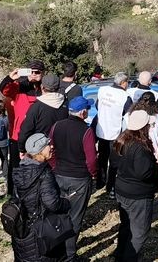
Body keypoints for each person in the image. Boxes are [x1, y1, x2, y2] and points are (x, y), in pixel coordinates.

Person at [113, 111, 158, 262]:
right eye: (149, 124)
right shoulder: (140, 147)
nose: (150, 126)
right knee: (139, 233)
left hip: (122, 190)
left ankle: (120, 254)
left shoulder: (122, 140)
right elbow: (144, 174)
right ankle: (129, 257)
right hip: (138, 195)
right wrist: (156, 165)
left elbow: (115, 163)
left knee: (126, 225)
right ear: (144, 127)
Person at [49, 96, 97, 259]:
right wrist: (93, 174)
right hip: (79, 179)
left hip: (58, 176)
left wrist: (55, 166)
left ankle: (57, 248)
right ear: (83, 112)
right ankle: (69, 255)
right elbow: (91, 159)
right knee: (75, 217)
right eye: (88, 110)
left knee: (59, 214)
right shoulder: (86, 131)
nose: (88, 112)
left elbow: (50, 149)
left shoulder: (57, 126)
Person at [12, 133, 71, 262]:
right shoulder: (44, 173)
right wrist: (66, 202)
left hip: (23, 229)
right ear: (39, 151)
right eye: (47, 145)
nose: (51, 146)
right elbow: (52, 203)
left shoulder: (20, 170)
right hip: (42, 230)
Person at [6, 62, 43, 196]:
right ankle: (13, 194)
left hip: (38, 135)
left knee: (36, 166)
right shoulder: (19, 87)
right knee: (15, 166)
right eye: (31, 72)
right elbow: (5, 90)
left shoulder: (44, 89)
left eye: (37, 72)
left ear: (42, 73)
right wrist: (11, 78)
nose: (34, 75)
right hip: (18, 134)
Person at [95, 72, 133, 198]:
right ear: (124, 83)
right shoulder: (124, 96)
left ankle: (100, 181)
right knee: (114, 163)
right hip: (115, 132)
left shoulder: (102, 90)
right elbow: (129, 113)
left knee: (102, 158)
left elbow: (97, 105)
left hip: (101, 130)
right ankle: (110, 187)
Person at [19, 75, 69, 146]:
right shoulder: (66, 104)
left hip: (41, 148)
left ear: (42, 87)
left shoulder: (36, 107)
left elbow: (26, 130)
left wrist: (22, 148)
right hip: (61, 147)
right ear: (58, 87)